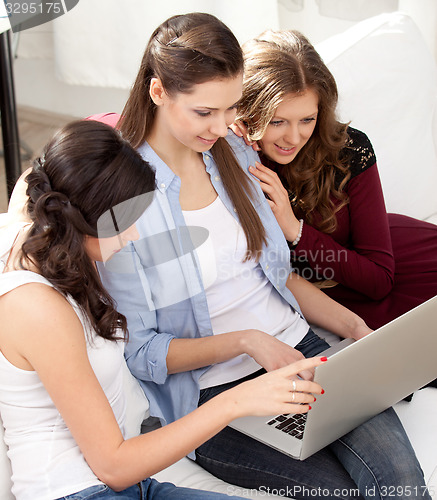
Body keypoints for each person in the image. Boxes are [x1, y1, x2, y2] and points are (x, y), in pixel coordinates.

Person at [96, 12, 431, 500]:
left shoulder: (235, 154)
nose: (223, 127)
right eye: (204, 112)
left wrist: (354, 329)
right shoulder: (122, 201)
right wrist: (248, 341)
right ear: (158, 92)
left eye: (230, 108)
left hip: (303, 353)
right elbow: (144, 352)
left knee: (399, 486)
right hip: (215, 396)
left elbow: (277, 277)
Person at [0, 119, 327, 500]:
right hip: (82, 491)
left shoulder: (53, 248)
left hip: (133, 486)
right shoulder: (37, 308)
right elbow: (114, 466)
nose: (134, 235)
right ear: (81, 217)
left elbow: (34, 180)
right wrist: (237, 401)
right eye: (125, 221)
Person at [233, 29, 437, 331]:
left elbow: (380, 280)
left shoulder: (349, 148)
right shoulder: (233, 160)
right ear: (247, 112)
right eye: (277, 121)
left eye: (307, 119)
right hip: (336, 292)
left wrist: (295, 230)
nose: (293, 137)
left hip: (397, 260)